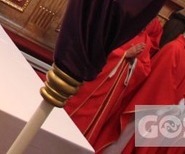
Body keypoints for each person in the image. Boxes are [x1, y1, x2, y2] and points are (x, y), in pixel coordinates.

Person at [101, 21, 185, 153]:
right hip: (148, 103)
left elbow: (184, 85)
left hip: (162, 109)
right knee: (124, 137)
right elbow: (160, 80)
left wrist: (180, 103)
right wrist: (167, 106)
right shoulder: (174, 48)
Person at [65, 19, 161, 151]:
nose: (146, 24)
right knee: (79, 112)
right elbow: (102, 48)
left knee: (96, 122)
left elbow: (145, 70)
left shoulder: (146, 42)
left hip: (114, 93)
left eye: (149, 22)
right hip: (97, 83)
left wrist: (134, 63)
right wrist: (125, 55)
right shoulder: (122, 29)